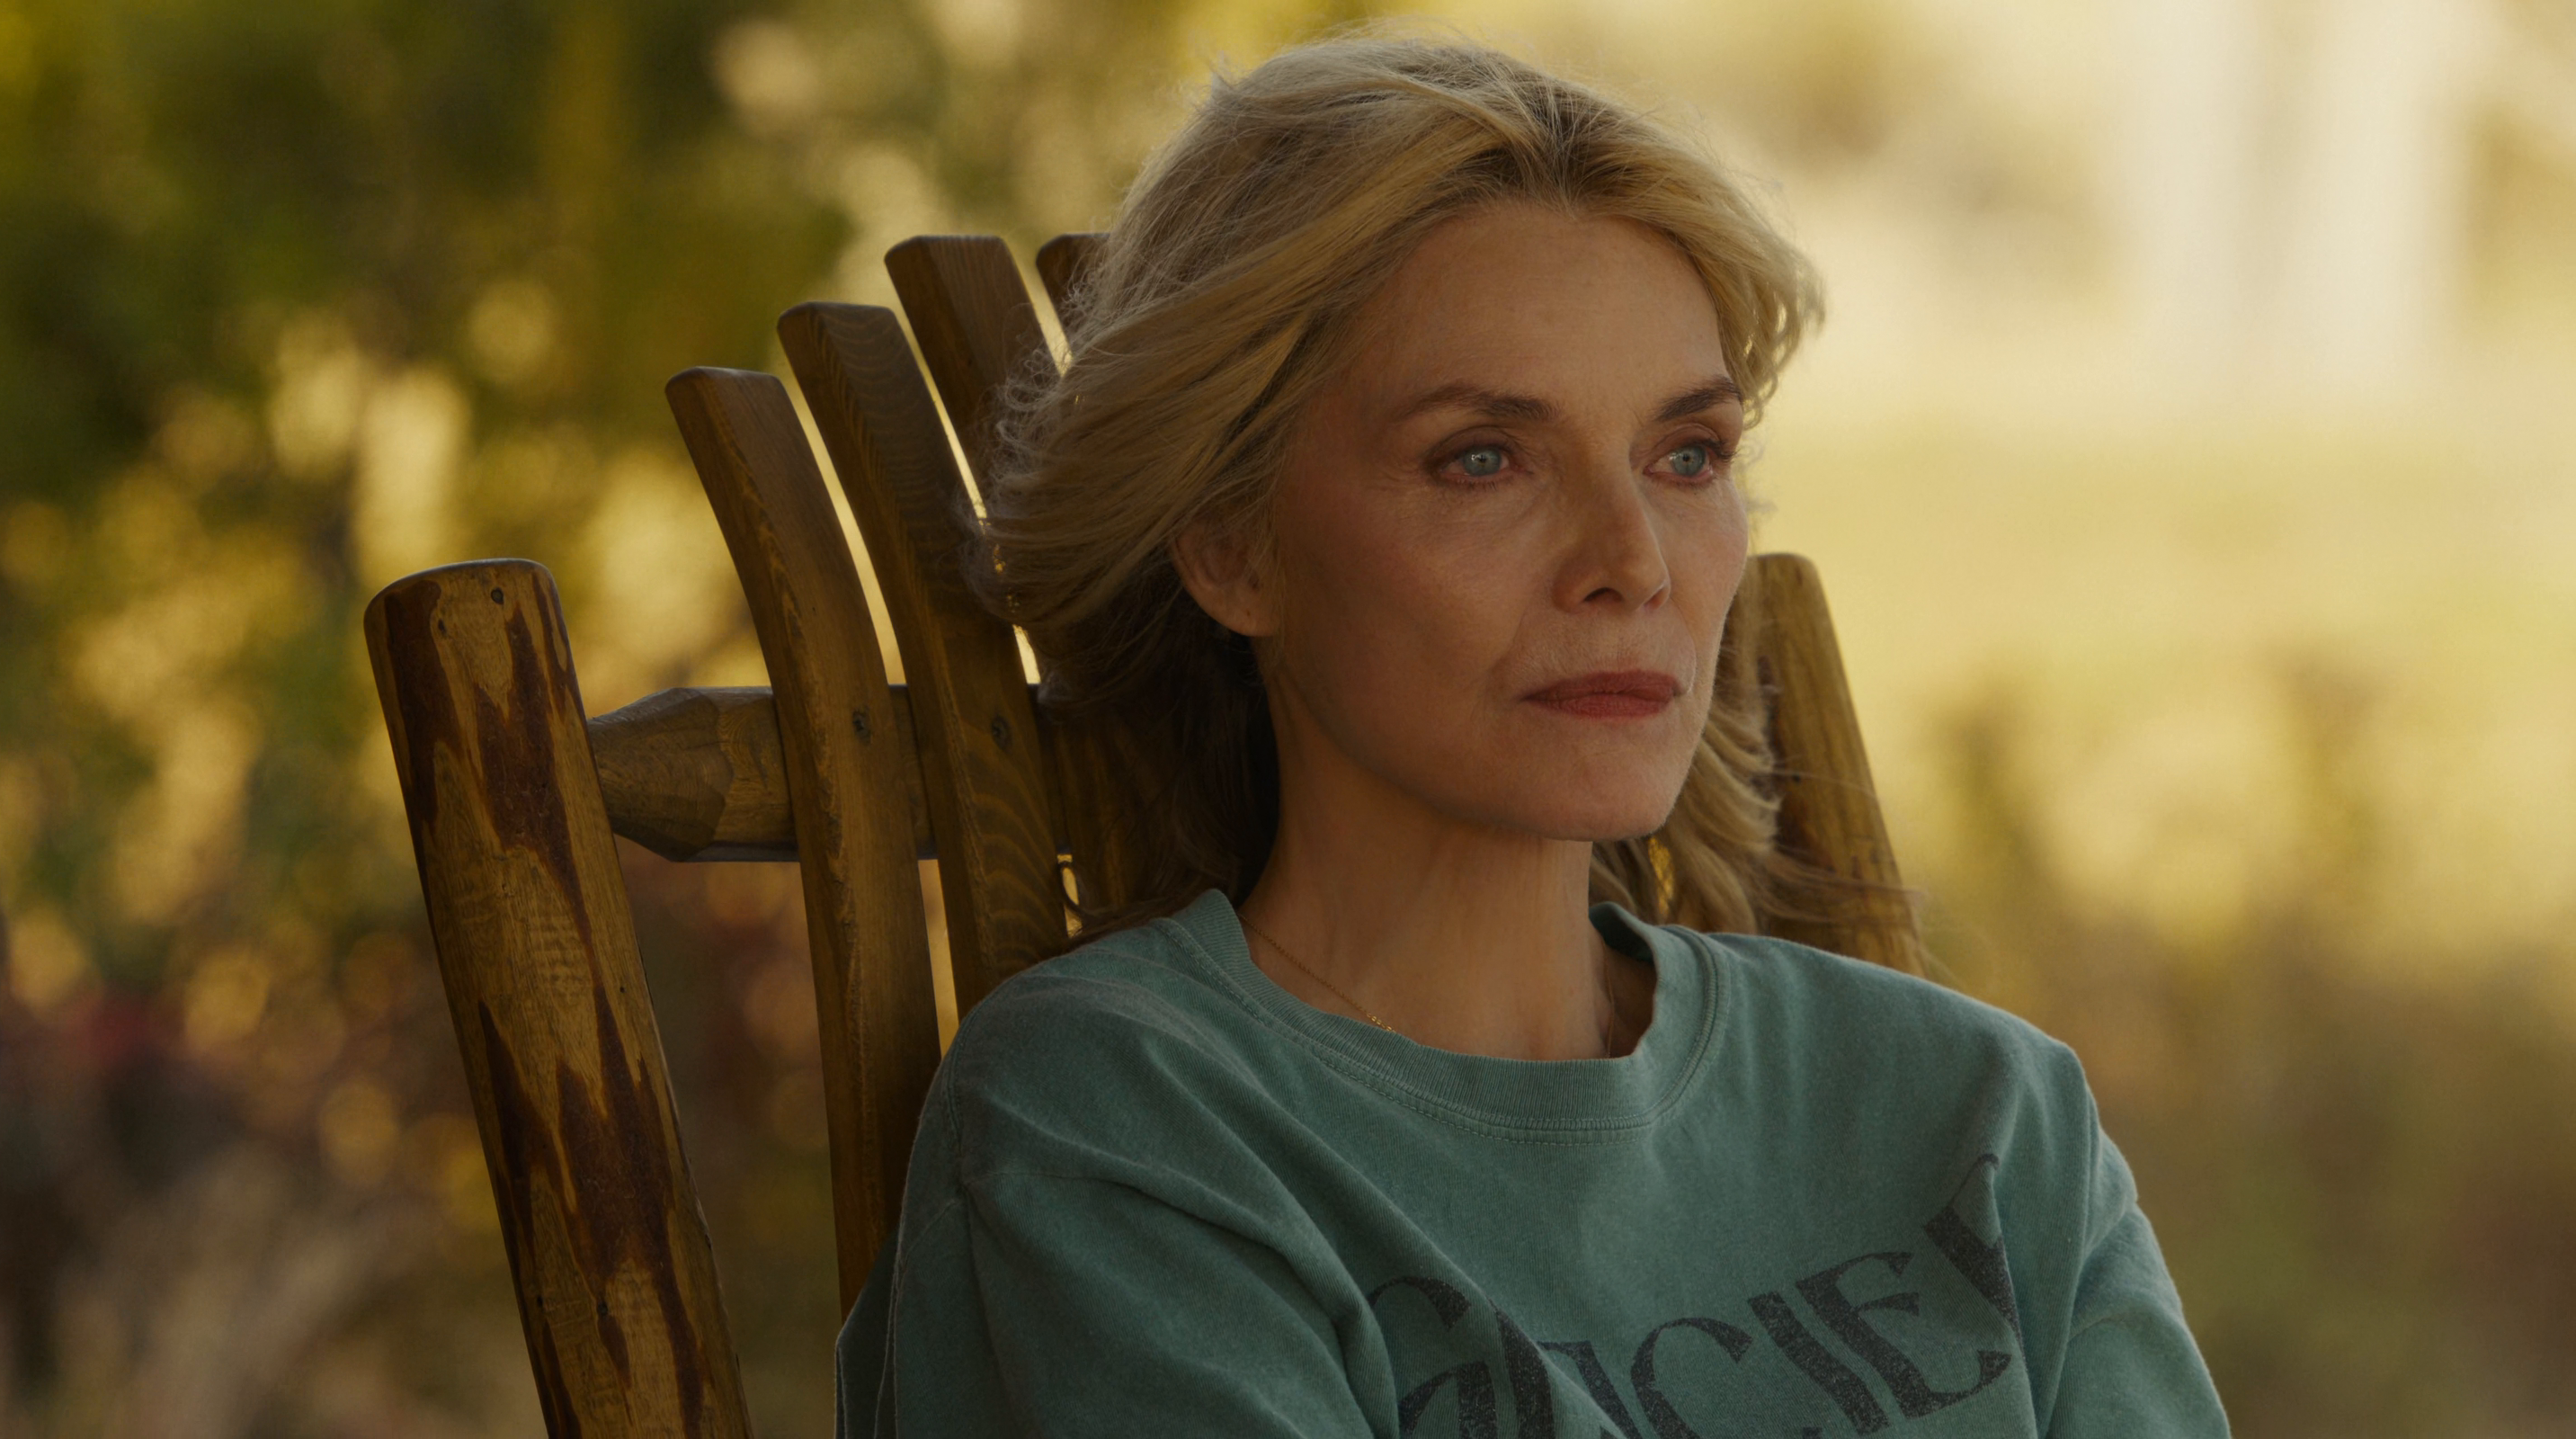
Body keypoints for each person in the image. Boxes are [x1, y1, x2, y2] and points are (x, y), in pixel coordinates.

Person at [833, 35, 2228, 1438]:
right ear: (1230, 545)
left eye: (1686, 456)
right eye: (1484, 458)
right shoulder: (1126, 1127)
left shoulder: (1982, 1114)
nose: (1633, 561)